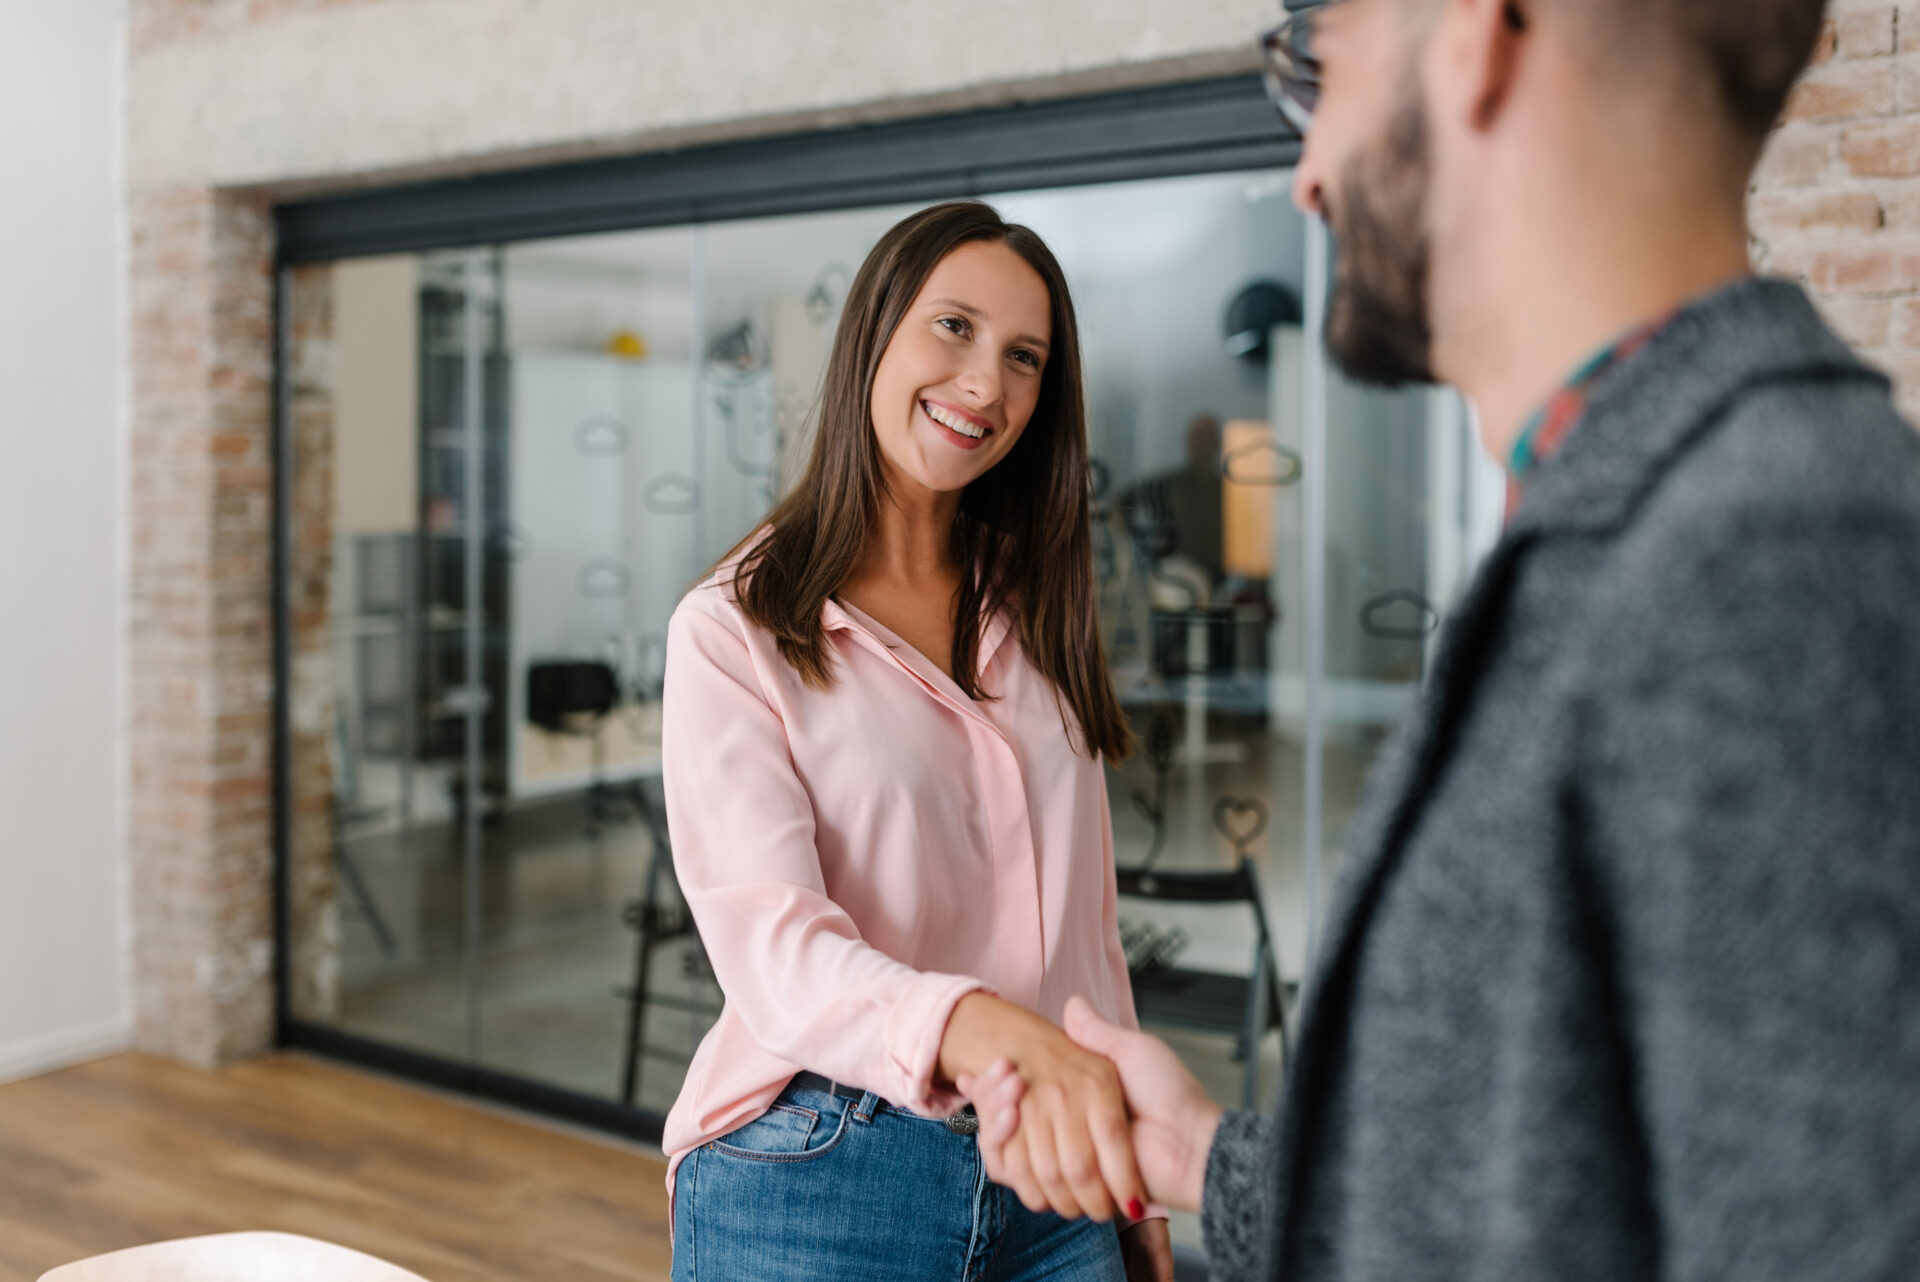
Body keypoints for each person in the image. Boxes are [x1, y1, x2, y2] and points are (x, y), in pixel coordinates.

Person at [963, 0, 1920, 1277]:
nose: (1305, 175)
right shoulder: (1632, 528)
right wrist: (1208, 1158)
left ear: (1477, 35)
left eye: (1323, 66)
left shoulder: (1780, 562)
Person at [660, 200, 1175, 1281]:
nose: (987, 383)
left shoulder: (1035, 606)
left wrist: (1120, 1138)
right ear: (875, 333)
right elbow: (773, 952)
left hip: (1054, 1174)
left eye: (1023, 356)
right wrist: (980, 1025)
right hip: (821, 1170)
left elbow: (1088, 919)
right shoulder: (732, 631)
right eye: (954, 327)